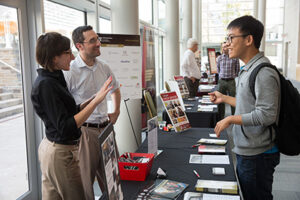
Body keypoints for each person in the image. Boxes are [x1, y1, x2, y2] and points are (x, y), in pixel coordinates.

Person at [31, 32, 112, 200]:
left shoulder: (56, 77)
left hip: (56, 149)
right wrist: (95, 102)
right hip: (59, 153)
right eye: (67, 53)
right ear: (54, 58)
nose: (73, 56)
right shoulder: (46, 84)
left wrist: (89, 101)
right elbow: (66, 126)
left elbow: (67, 111)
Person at [209, 15, 280, 200]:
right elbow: (248, 105)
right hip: (248, 149)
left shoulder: (263, 72)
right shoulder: (247, 68)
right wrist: (224, 98)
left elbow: (266, 115)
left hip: (258, 153)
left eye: (231, 38)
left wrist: (231, 118)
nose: (227, 44)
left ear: (249, 40)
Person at [63, 25, 121, 200]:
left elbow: (115, 89)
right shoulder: (70, 71)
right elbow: (65, 107)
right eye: (93, 40)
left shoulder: (104, 67)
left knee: (113, 179)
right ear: (79, 46)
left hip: (106, 130)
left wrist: (116, 111)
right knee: (85, 183)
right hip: (85, 133)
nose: (98, 43)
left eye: (97, 39)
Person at [216, 42, 240, 119]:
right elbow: (218, 69)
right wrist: (221, 76)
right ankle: (220, 117)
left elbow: (237, 70)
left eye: (225, 47)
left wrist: (232, 76)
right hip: (222, 81)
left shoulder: (235, 58)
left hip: (231, 81)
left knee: (233, 99)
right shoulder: (219, 58)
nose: (223, 49)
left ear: (229, 47)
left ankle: (234, 117)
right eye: (222, 47)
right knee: (220, 100)